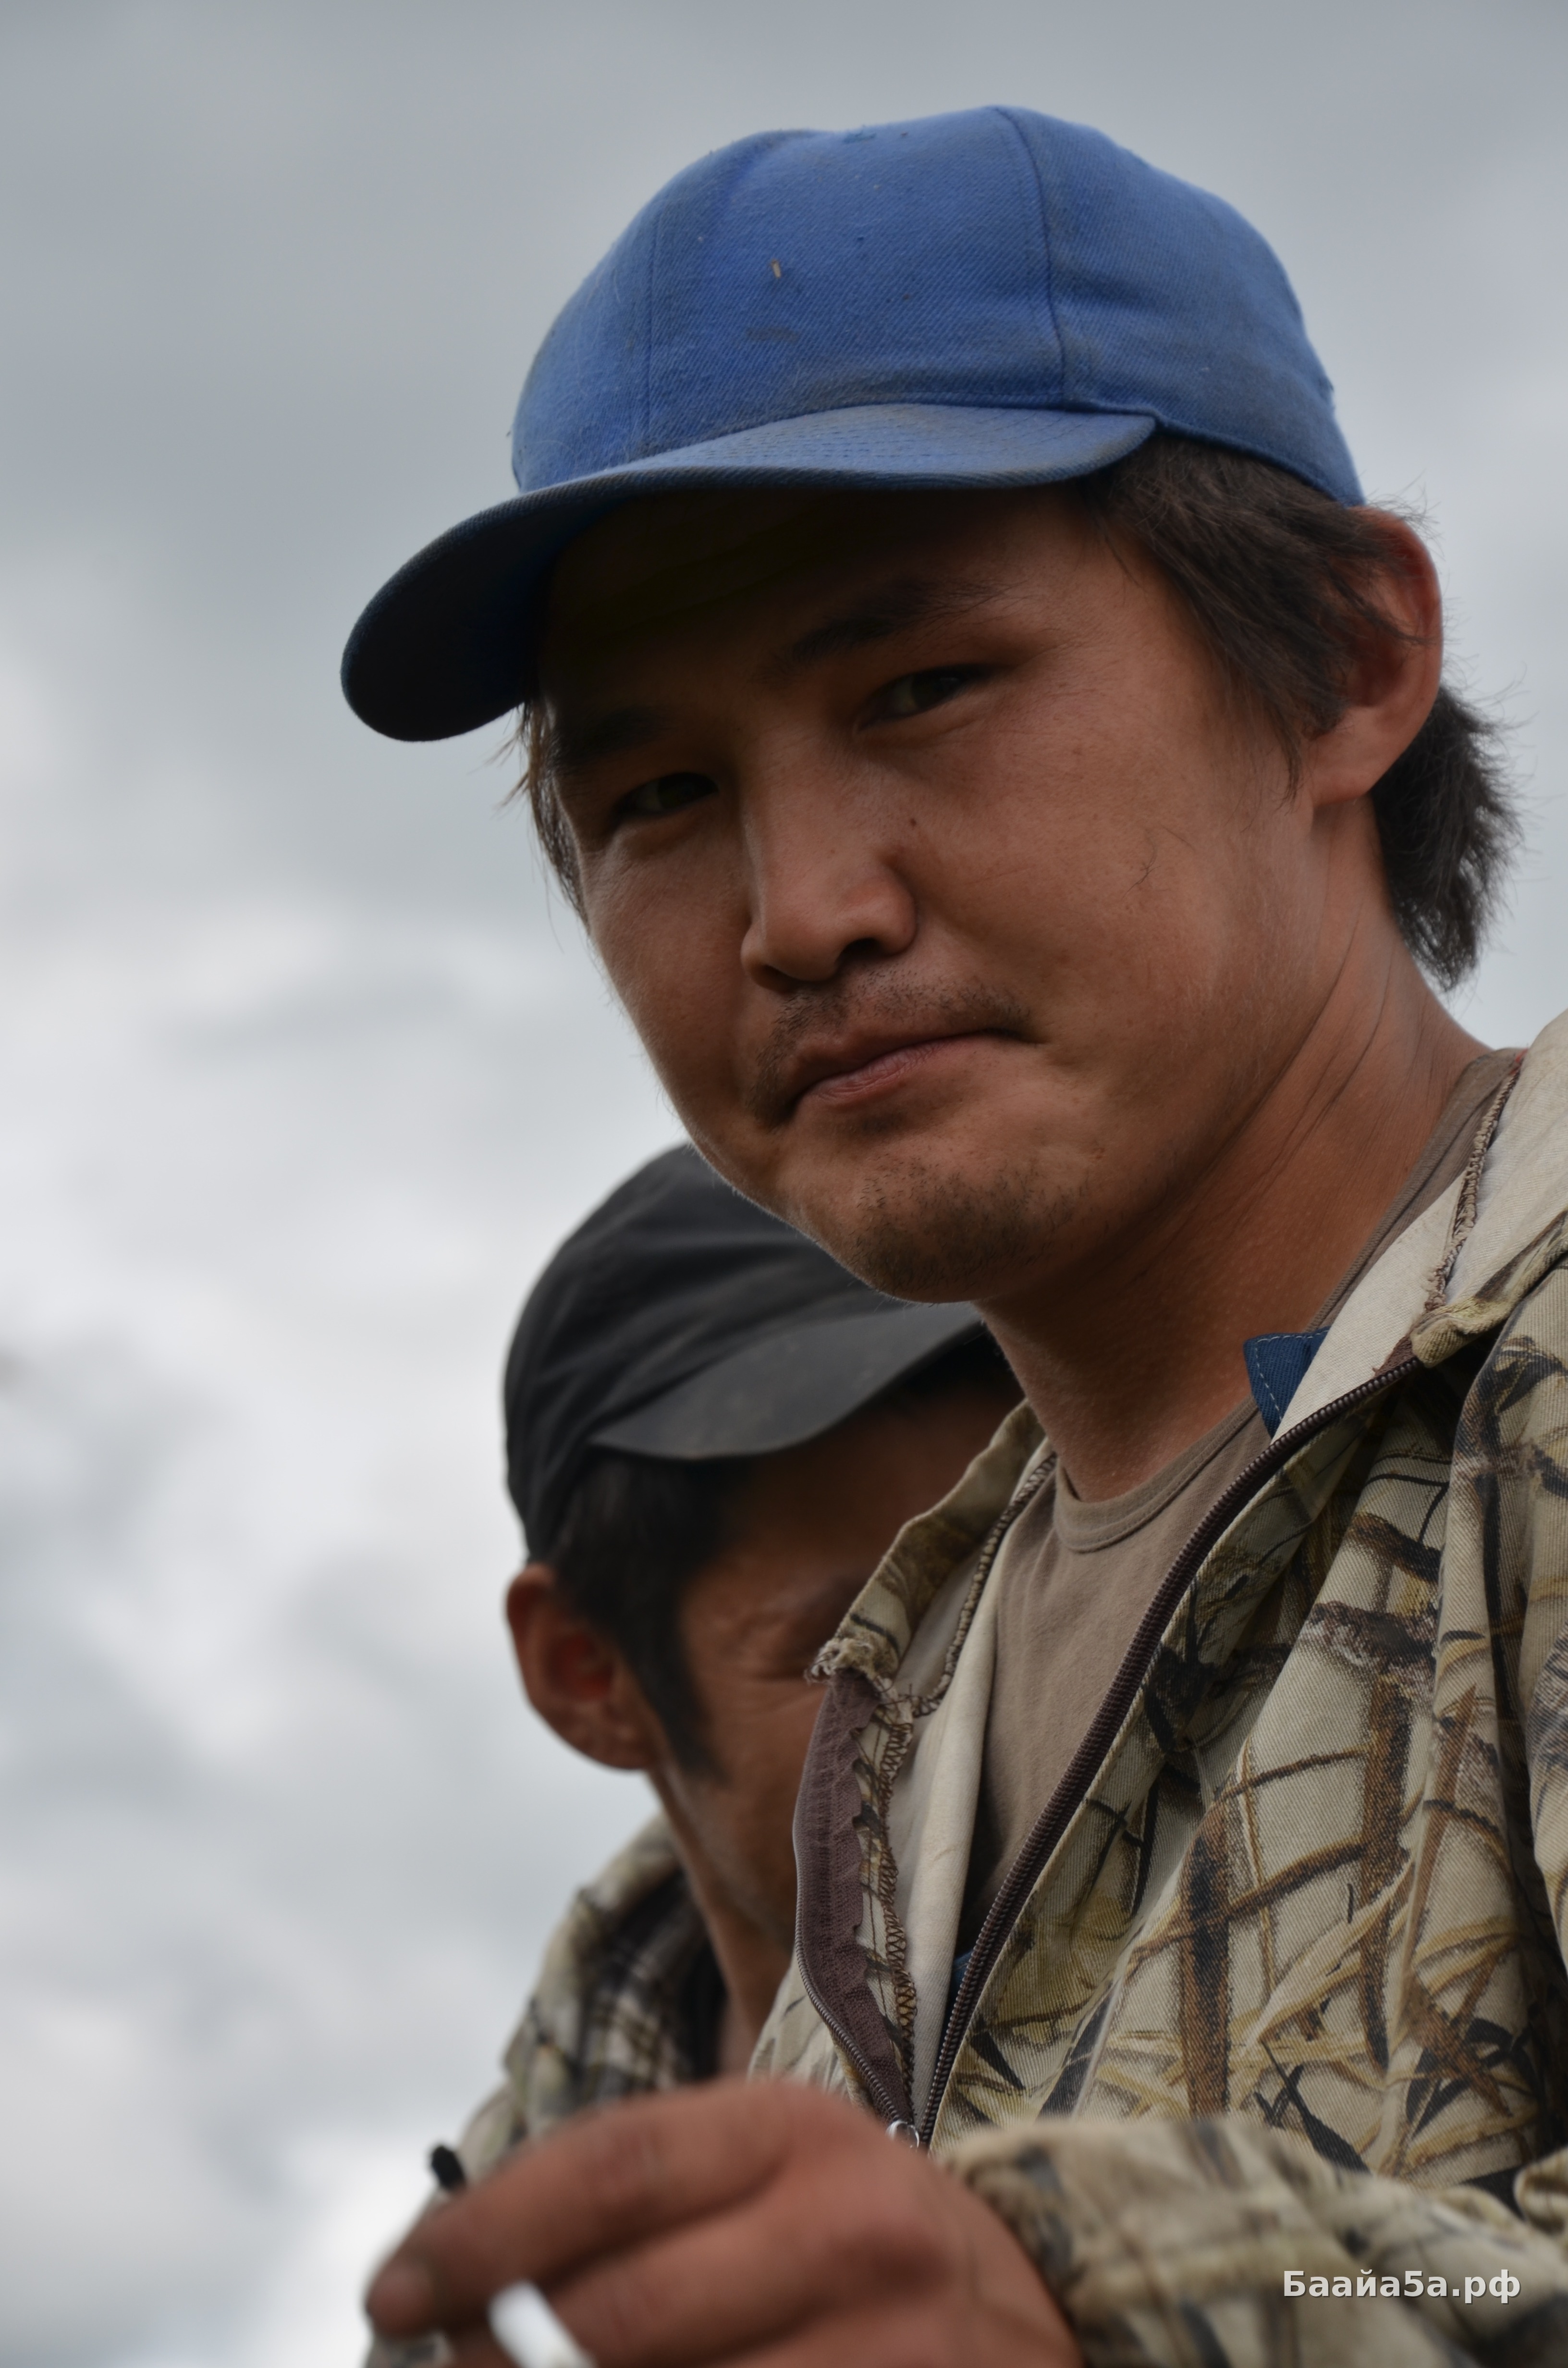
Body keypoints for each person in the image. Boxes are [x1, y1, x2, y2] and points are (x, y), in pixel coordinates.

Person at [344, 107, 1568, 2368]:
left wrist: (1113, 2303)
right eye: (657, 795)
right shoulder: (901, 1698)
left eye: (923, 688)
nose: (802, 909)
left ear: (1346, 662)